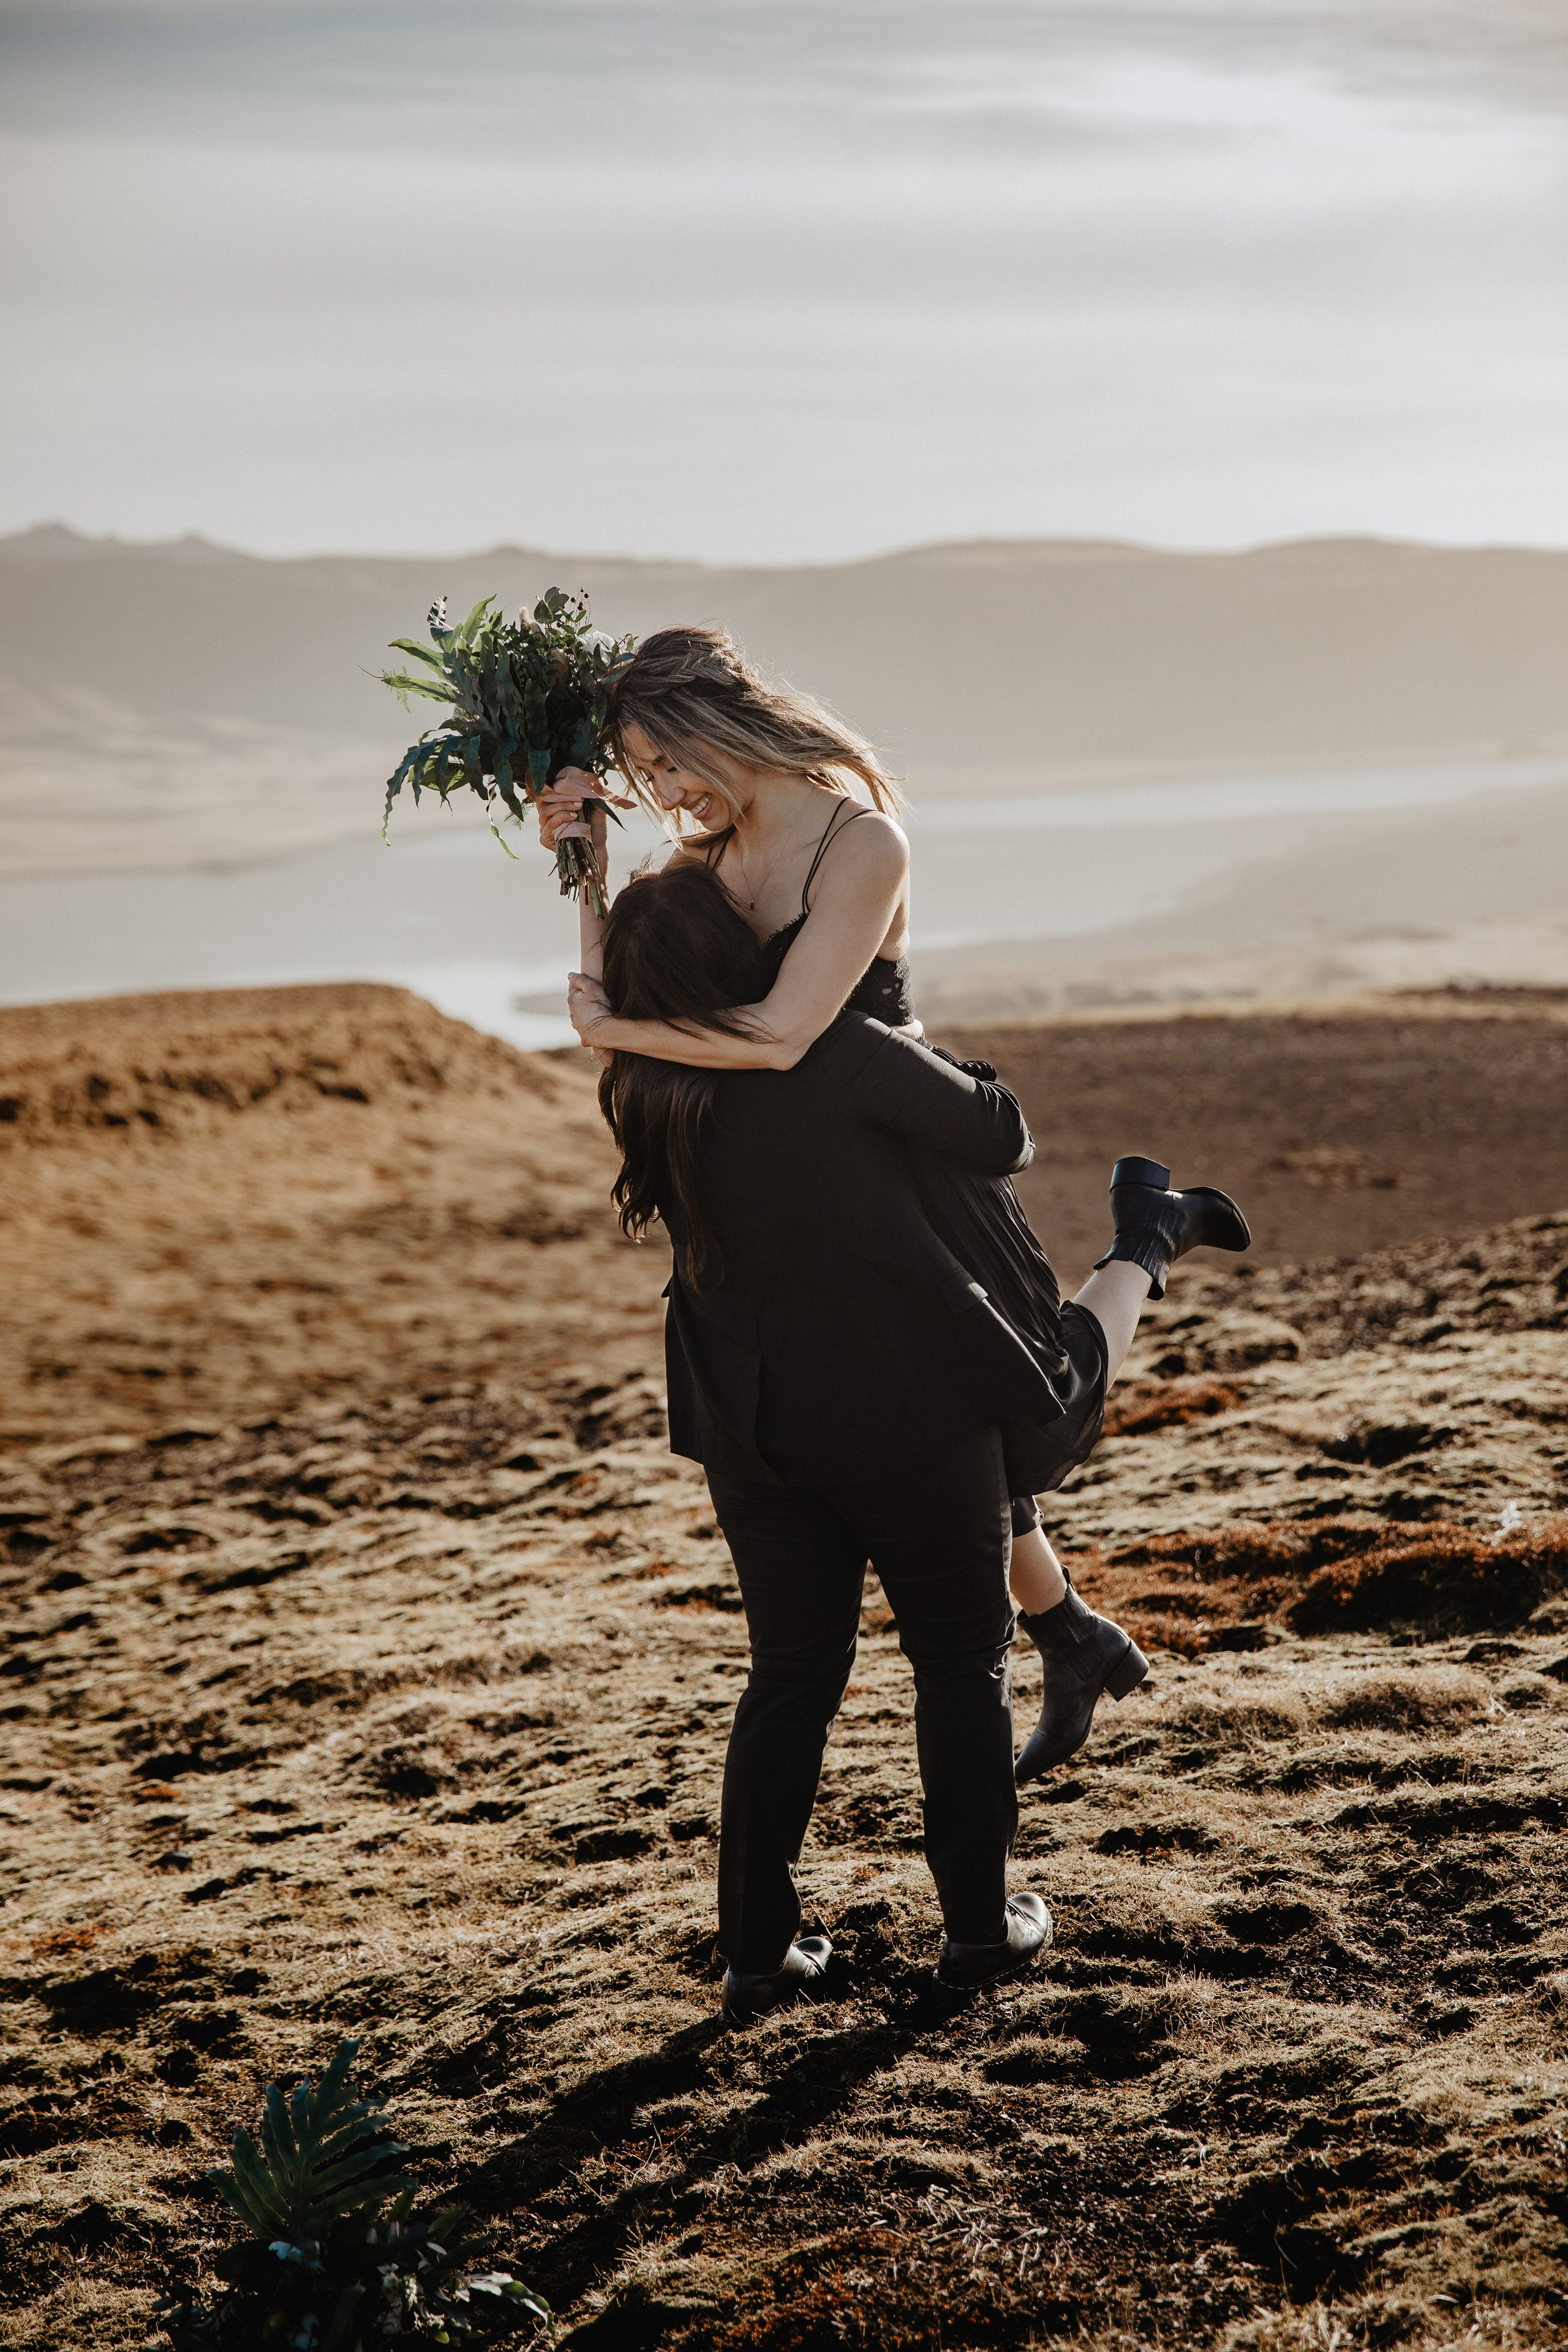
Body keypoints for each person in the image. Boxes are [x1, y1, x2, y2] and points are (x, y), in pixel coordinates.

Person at [539, 626, 1249, 1790]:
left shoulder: (860, 841)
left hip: (914, 1163)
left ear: (722, 727)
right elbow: (652, 987)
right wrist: (585, 870)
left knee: (1033, 1410)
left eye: (665, 766)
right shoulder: (708, 851)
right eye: (641, 778)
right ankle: (1071, 1638)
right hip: (825, 1168)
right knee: (946, 1451)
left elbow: (771, 1035)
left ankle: (1147, 1236)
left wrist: (609, 1032)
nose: (662, 795)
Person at [586, 856, 1247, 2026]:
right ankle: (982, 1931)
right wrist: (892, 1019)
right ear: (731, 953)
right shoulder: (829, 1051)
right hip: (907, 1411)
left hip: (756, 1427)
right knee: (957, 1664)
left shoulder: (641, 1080)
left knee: (789, 1678)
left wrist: (584, 872)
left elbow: (606, 984)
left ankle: (756, 1952)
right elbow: (1001, 1135)